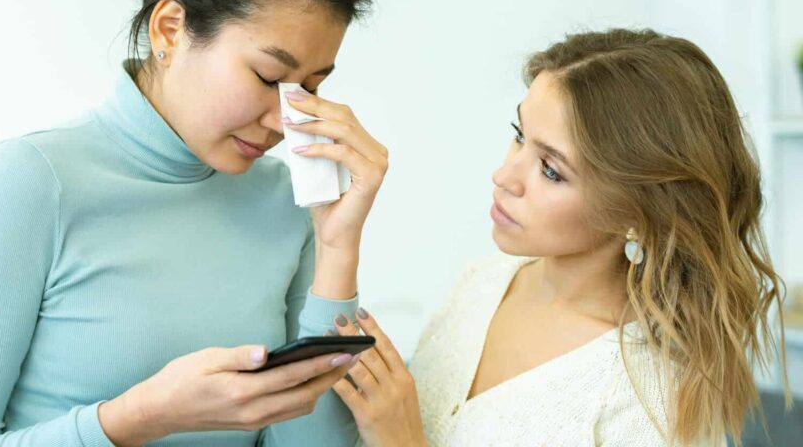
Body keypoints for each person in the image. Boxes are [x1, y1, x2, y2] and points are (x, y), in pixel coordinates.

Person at [0, 0, 386, 445]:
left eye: (309, 86)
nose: (288, 118)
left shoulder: (285, 202)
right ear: (170, 28)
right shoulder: (33, 182)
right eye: (268, 77)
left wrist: (338, 249)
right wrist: (139, 416)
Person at [327, 29, 789, 446]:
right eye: (518, 135)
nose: (504, 175)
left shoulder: (651, 401)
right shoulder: (482, 284)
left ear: (636, 211)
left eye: (551, 170)